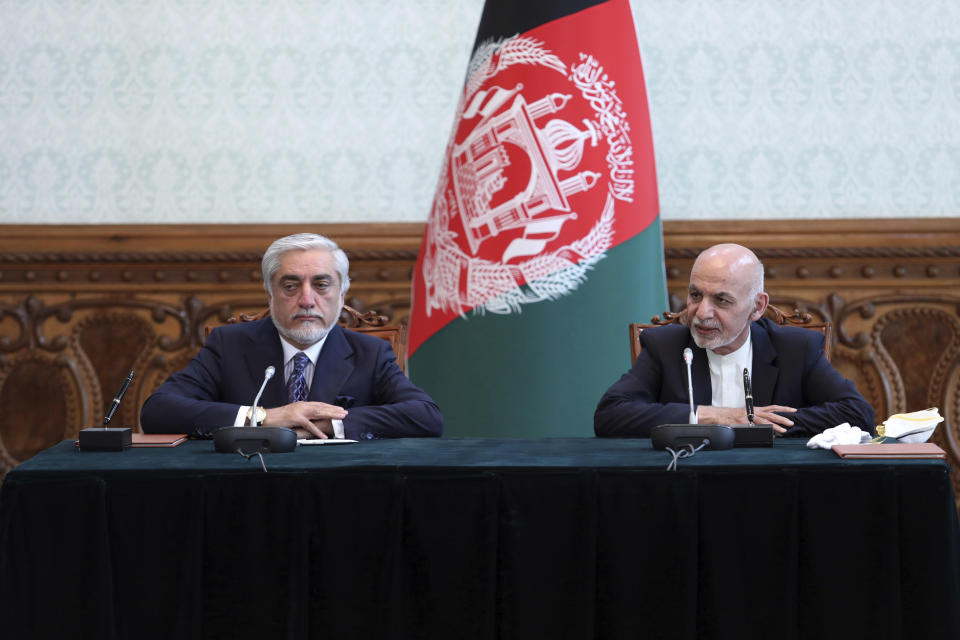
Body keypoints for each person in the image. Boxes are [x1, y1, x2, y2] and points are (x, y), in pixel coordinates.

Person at [141, 233, 443, 440]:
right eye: (290, 286)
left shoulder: (370, 353)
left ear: (342, 293)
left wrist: (332, 423)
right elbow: (158, 410)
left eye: (322, 285)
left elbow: (426, 417)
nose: (307, 300)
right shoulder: (229, 345)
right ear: (270, 293)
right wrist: (263, 418)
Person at [594, 243, 874, 437]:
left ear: (757, 307)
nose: (702, 313)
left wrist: (757, 424)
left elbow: (859, 414)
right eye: (695, 295)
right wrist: (713, 416)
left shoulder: (795, 348)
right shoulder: (666, 346)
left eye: (721, 300)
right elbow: (610, 415)